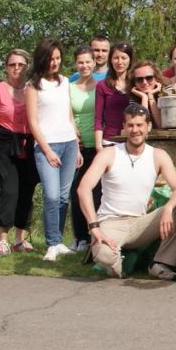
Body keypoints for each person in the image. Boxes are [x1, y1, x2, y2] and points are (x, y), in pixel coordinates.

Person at [77, 103, 176, 280]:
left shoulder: (158, 155)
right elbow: (83, 189)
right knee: (104, 254)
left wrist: (168, 208)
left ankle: (160, 263)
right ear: (124, 127)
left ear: (148, 127)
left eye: (139, 125)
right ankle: (118, 265)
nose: (135, 130)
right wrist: (94, 227)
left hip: (141, 223)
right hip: (111, 222)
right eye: (130, 125)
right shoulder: (108, 154)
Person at [26, 39, 83, 261]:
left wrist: (77, 146)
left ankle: (58, 242)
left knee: (62, 197)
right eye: (51, 59)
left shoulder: (65, 81)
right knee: (50, 195)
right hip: (46, 146)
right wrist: (47, 150)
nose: (55, 63)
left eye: (58, 58)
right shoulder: (33, 86)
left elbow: (69, 116)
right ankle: (51, 243)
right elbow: (33, 123)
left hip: (69, 144)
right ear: (42, 59)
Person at [0, 49, 38, 256]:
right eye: (12, 64)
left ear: (27, 67)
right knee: (10, 190)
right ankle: (2, 239)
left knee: (26, 191)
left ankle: (20, 239)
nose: (16, 68)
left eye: (21, 64)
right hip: (4, 145)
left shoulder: (33, 89)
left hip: (29, 145)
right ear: (6, 67)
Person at [69, 45, 101, 252]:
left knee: (97, 193)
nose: (84, 66)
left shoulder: (101, 86)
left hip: (98, 146)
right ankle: (80, 238)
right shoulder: (69, 87)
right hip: (77, 146)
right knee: (76, 192)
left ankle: (94, 237)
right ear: (76, 64)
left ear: (94, 63)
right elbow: (67, 115)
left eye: (88, 62)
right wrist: (74, 139)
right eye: (80, 62)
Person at [94, 41, 133, 150]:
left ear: (130, 60)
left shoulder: (137, 83)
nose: (119, 62)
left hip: (133, 139)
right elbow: (98, 118)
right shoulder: (102, 85)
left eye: (123, 58)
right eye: (116, 58)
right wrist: (98, 146)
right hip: (110, 141)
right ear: (110, 60)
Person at [129, 60, 166, 127]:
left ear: (156, 79)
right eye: (139, 79)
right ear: (134, 83)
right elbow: (142, 125)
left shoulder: (166, 94)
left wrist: (151, 97)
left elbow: (161, 125)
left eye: (149, 78)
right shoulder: (133, 98)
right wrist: (144, 98)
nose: (144, 82)